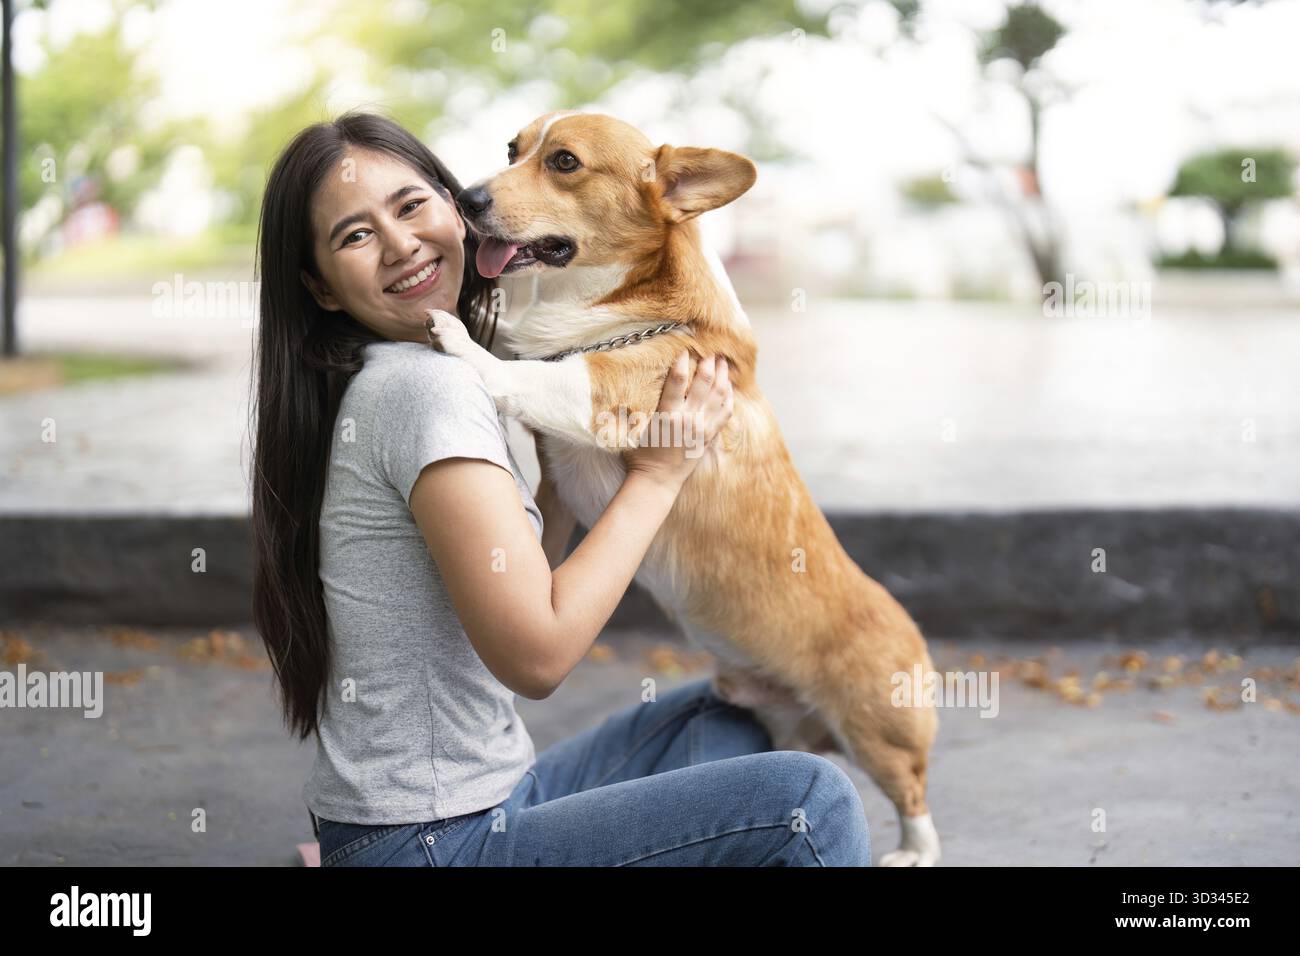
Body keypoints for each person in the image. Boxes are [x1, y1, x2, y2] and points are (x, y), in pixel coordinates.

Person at [249, 111, 871, 866]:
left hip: (488, 799)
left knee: (726, 719)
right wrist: (657, 471)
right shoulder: (424, 393)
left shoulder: (420, 374)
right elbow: (538, 657)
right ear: (317, 286)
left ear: (453, 202)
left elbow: (521, 578)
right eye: (356, 235)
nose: (402, 244)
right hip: (443, 839)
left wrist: (565, 457)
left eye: (412, 206)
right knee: (812, 802)